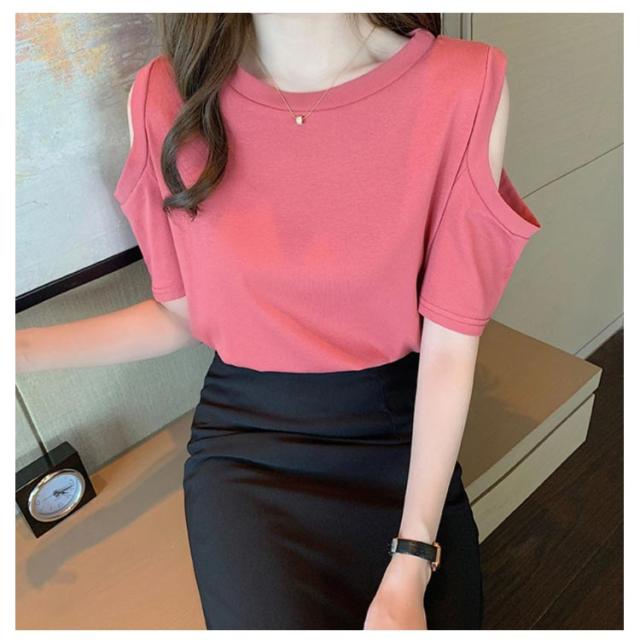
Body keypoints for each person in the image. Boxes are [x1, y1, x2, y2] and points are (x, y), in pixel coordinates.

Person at [16, 13, 542, 630]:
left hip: (400, 431)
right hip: (249, 447)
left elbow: (450, 344)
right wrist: (20, 350)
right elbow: (182, 315)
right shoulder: (165, 95)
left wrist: (412, 555)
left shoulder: (464, 85)